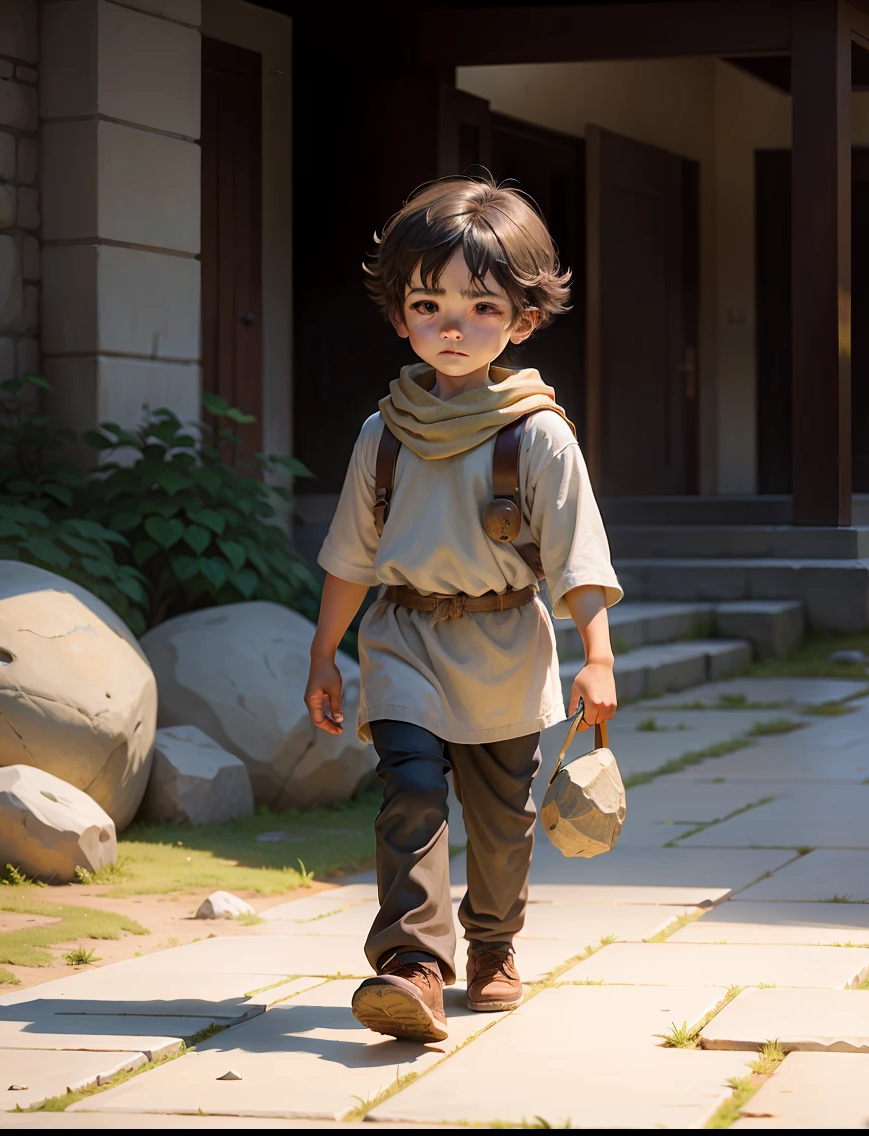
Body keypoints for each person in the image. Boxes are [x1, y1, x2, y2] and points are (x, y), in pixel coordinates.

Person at [304, 176, 620, 1043]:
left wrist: (596, 652)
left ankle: (493, 943)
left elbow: (578, 557)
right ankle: (411, 965)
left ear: (522, 320)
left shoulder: (537, 433)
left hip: (507, 646)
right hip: (404, 639)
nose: (452, 325)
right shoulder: (386, 433)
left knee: (502, 820)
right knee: (409, 792)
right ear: (401, 313)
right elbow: (350, 557)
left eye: (481, 306)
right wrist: (326, 652)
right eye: (427, 301)